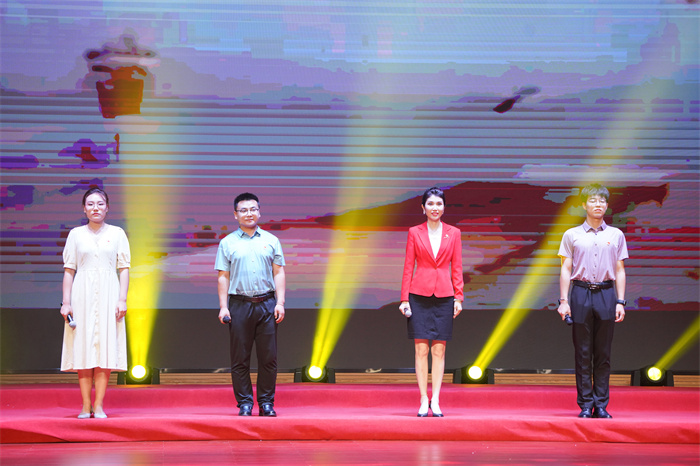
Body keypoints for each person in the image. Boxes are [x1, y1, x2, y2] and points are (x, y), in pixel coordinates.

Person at [557, 183, 628, 419]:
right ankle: (586, 405)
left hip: (607, 293)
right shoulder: (572, 235)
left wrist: (620, 301)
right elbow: (566, 269)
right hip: (580, 292)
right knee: (583, 353)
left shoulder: (616, 235)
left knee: (603, 353)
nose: (598, 204)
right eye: (593, 200)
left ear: (606, 205)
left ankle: (602, 405)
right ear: (584, 204)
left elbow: (620, 270)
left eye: (602, 201)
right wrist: (564, 301)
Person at [60, 187, 130, 419]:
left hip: (110, 294)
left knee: (104, 350)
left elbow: (124, 268)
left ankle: (98, 405)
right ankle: (85, 405)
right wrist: (66, 303)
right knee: (83, 349)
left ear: (107, 207)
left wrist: (122, 299)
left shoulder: (118, 233)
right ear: (84, 208)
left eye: (100, 204)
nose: (95, 208)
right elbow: (69, 270)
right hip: (82, 294)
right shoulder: (75, 234)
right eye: (90, 204)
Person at [215, 192, 286, 417]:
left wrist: (280, 302)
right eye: (243, 210)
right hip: (239, 305)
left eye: (253, 209)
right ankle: (245, 403)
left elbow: (279, 272)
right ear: (235, 215)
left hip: (267, 304)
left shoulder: (271, 240)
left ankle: (266, 403)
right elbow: (223, 276)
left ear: (259, 212)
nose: (249, 214)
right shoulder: (227, 243)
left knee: (269, 358)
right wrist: (223, 306)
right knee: (240, 359)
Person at [400, 186, 464, 417]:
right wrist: (404, 299)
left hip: (445, 296)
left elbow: (457, 267)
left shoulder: (454, 233)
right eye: (430, 204)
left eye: (439, 204)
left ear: (444, 207)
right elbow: (408, 266)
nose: (435, 208)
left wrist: (459, 296)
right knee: (421, 349)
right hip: (418, 295)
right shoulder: (414, 232)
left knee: (439, 351)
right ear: (423, 208)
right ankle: (422, 398)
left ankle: (435, 399)